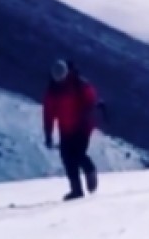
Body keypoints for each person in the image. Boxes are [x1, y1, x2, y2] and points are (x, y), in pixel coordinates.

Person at [43, 58, 101, 200]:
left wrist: (87, 117)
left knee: (77, 154)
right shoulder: (53, 91)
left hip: (82, 126)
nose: (59, 80)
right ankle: (76, 190)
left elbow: (91, 101)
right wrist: (48, 134)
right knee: (67, 158)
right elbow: (48, 114)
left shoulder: (78, 84)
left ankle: (90, 170)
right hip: (66, 128)